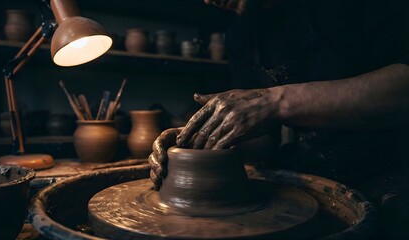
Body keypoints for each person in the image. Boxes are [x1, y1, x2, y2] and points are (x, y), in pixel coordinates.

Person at [149, 0, 409, 238]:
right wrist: (199, 139)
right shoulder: (242, 31)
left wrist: (276, 101)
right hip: (313, 166)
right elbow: (262, 140)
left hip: (393, 167)